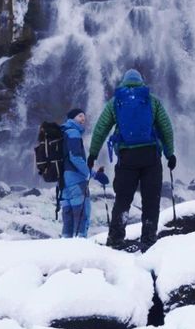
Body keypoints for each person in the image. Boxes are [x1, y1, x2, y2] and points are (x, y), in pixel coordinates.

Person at [87, 69, 175, 250]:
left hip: (127, 158)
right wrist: (170, 154)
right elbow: (166, 127)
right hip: (151, 156)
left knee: (123, 199)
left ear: (124, 83)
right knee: (151, 200)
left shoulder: (116, 101)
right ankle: (149, 240)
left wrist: (93, 153)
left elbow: (101, 128)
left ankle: (115, 239)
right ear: (141, 82)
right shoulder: (151, 100)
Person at [60, 108, 92, 238]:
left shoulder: (63, 132)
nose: (83, 119)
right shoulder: (73, 133)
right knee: (82, 212)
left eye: (84, 116)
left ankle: (66, 241)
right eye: (79, 116)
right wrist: (88, 173)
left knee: (68, 213)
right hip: (75, 178)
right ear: (72, 118)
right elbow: (75, 157)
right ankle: (81, 242)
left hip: (63, 179)